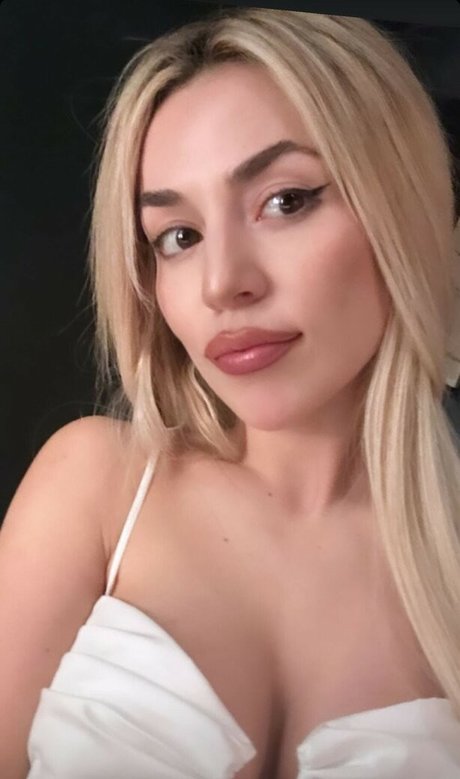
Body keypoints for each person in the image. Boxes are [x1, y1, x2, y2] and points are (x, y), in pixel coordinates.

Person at [1, 6, 460, 778]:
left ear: (405, 208)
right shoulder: (96, 485)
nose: (222, 284)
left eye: (286, 200)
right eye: (178, 237)